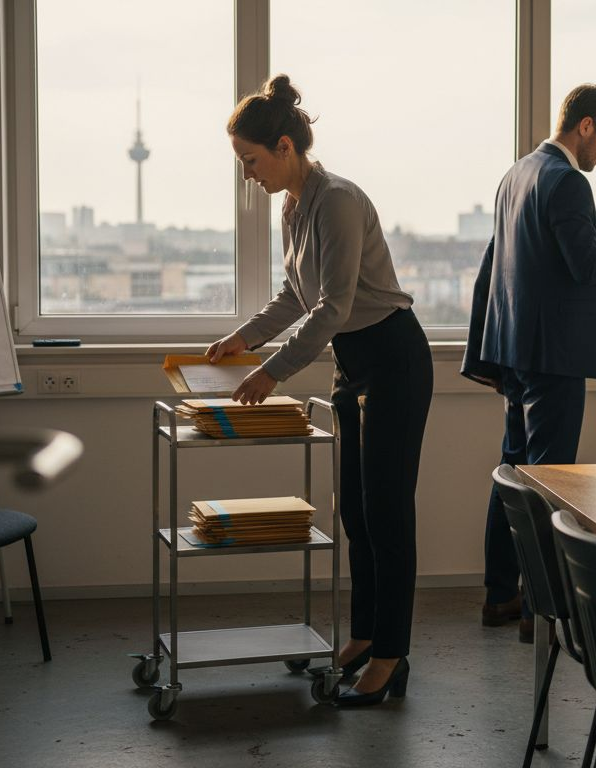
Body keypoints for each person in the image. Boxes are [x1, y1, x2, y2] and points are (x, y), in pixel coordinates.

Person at [207, 75, 433, 706]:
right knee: (356, 512)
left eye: (250, 161)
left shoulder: (335, 199)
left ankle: (392, 656)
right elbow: (294, 297)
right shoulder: (293, 204)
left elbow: (332, 307)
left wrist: (272, 371)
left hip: (392, 357)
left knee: (388, 513)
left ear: (284, 146)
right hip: (353, 362)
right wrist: (243, 339)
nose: (247, 175)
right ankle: (364, 636)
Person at [461, 84, 596, 642]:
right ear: (584, 127)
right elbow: (584, 265)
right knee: (550, 484)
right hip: (554, 358)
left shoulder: (516, 174)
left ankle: (500, 594)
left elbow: (499, 264)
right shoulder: (567, 182)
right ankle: (541, 608)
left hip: (515, 352)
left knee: (512, 475)